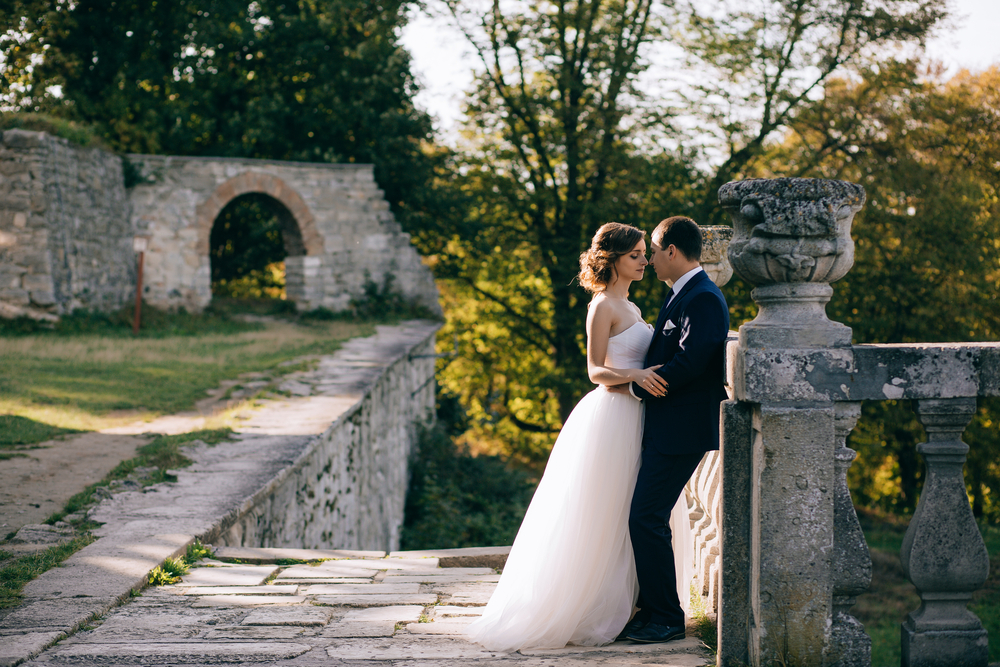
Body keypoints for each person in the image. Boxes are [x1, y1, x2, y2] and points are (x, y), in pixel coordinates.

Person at [465, 222, 690, 652]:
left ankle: (633, 605)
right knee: (604, 512)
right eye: (636, 255)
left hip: (638, 416)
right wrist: (637, 376)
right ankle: (590, 606)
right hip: (612, 417)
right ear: (613, 260)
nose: (646, 260)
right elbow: (594, 372)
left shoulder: (633, 304)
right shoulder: (602, 306)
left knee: (632, 514)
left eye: (645, 253)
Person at [614, 216, 730, 644]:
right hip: (669, 426)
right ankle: (653, 611)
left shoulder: (701, 297)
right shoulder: (683, 292)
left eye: (654, 252)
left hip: (682, 428)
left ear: (672, 251)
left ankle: (665, 618)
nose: (650, 261)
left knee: (645, 517)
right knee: (647, 516)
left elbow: (691, 361)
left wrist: (640, 385)